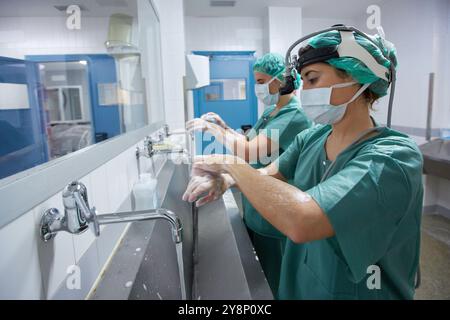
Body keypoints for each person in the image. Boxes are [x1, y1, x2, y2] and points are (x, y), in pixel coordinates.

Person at [183, 29, 423, 299]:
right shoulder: (313, 137)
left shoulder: (393, 157)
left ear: (356, 77)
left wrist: (231, 165)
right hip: (302, 286)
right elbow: (268, 173)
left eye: (312, 79)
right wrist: (228, 180)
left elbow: (304, 220)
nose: (302, 90)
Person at [184, 52, 312, 297]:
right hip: (257, 206)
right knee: (262, 279)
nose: (258, 88)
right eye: (256, 81)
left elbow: (249, 153)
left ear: (281, 81)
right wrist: (224, 128)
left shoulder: (294, 115)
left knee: (276, 286)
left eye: (262, 81)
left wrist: (211, 130)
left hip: (276, 216)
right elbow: (247, 140)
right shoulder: (271, 112)